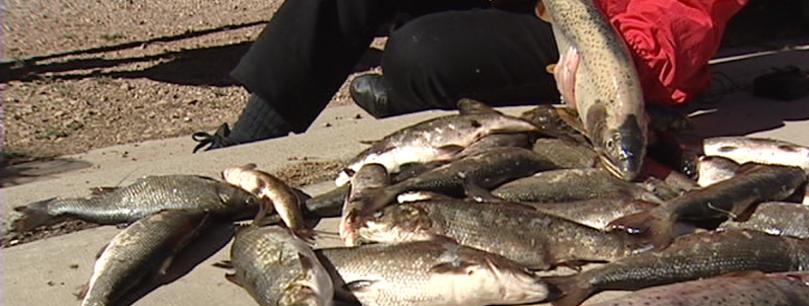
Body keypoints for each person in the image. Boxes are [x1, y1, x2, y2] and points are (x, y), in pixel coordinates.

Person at [192, 0, 748, 152]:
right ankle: (253, 135)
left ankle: (416, 91)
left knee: (420, 54)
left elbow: (682, 17)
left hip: (614, 36)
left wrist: (609, 66)